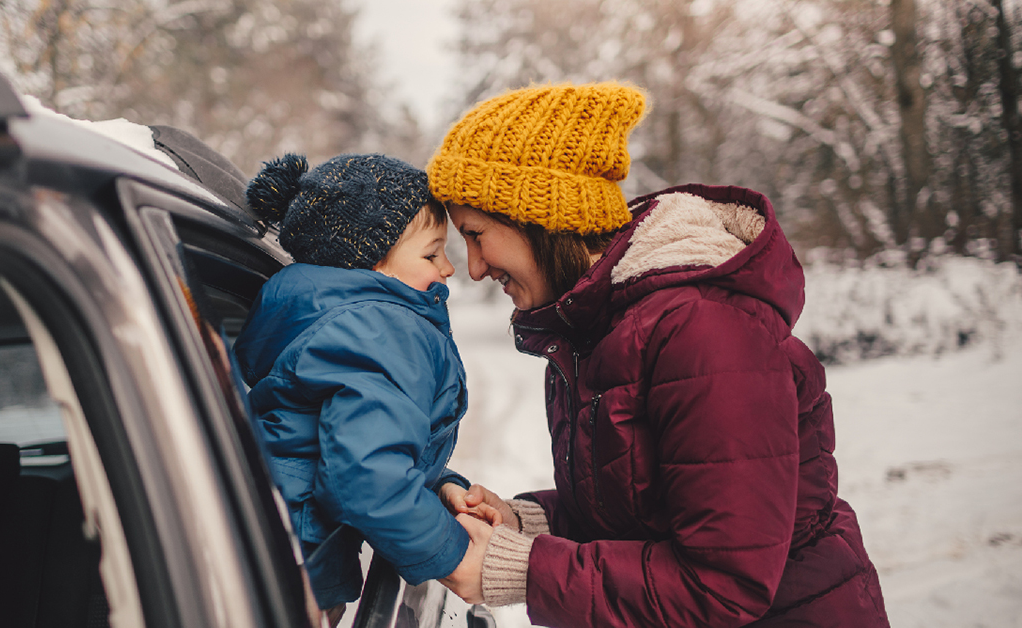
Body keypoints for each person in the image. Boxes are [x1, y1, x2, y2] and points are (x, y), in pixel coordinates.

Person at [430, 83, 890, 627]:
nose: (475, 267)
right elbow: (642, 514)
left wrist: (524, 569)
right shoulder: (595, 327)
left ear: (541, 218)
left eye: (477, 234)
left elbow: (723, 585)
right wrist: (525, 523)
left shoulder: (703, 331)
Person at [233, 153, 500, 623]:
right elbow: (364, 474)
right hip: (298, 563)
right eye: (431, 253)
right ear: (371, 262)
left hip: (274, 539)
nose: (449, 269)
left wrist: (437, 486)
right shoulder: (381, 329)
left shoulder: (332, 318)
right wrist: (454, 555)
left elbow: (342, 439)